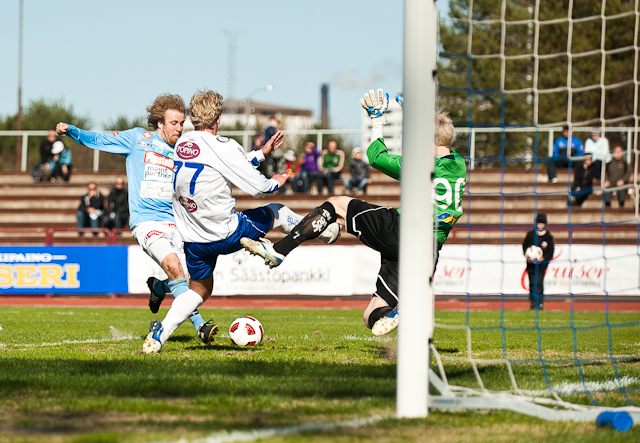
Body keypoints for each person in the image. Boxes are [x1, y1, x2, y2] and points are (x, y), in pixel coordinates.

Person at [241, 88, 466, 337]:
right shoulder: (459, 165)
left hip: (404, 230)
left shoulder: (419, 164)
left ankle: (279, 250)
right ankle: (399, 310)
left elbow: (375, 156)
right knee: (371, 315)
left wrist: (377, 120)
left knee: (337, 203)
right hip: (428, 250)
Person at [142, 90, 340, 353]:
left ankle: (160, 335)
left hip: (194, 239)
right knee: (278, 211)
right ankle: (314, 237)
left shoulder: (182, 143)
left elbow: (222, 164)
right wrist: (275, 182)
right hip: (228, 232)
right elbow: (257, 188)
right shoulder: (224, 146)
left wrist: (261, 153)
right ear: (219, 119)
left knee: (199, 291)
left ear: (193, 118)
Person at [56, 93, 214, 345]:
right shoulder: (138, 138)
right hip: (147, 222)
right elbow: (100, 139)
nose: (179, 128)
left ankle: (160, 289)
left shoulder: (184, 151)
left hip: (177, 224)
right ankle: (200, 326)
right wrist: (73, 131)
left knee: (189, 282)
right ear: (160, 123)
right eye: (174, 123)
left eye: (182, 123)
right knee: (174, 266)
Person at [522, 214, 555, 310]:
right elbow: (525, 246)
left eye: (542, 223)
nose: (540, 225)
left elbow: (550, 251)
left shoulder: (548, 236)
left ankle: (540, 303)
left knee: (539, 282)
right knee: (532, 282)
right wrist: (527, 254)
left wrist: (543, 258)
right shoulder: (531, 235)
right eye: (539, 223)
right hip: (531, 264)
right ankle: (532, 303)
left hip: (542, 265)